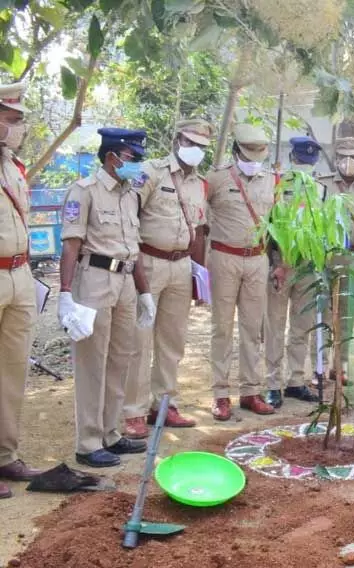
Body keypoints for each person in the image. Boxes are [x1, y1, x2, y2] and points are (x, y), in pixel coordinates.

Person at [59, 127, 155, 467]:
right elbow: (71, 244)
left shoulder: (131, 194)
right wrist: (65, 294)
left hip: (126, 280)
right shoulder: (84, 191)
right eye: (133, 158)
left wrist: (145, 293)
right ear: (112, 156)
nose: (137, 165)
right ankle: (88, 442)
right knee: (92, 363)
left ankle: (111, 434)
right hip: (95, 279)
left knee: (120, 360)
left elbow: (136, 247)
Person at [121, 119, 212, 439]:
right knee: (138, 340)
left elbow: (200, 231)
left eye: (201, 147)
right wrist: (132, 263)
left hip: (181, 266)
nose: (195, 151)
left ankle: (164, 403)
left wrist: (199, 275)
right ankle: (132, 410)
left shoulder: (200, 184)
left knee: (173, 341)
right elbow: (127, 215)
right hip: (148, 262)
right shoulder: (150, 172)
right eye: (190, 143)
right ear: (177, 140)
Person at [205, 124, 276, 421]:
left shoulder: (273, 181)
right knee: (222, 328)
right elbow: (198, 218)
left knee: (253, 328)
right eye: (249, 152)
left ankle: (251, 391)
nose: (254, 158)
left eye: (260, 153)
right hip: (224, 258)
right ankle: (220, 394)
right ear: (236, 151)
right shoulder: (216, 179)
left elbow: (277, 225)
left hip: (258, 259)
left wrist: (279, 263)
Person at [0, 82, 44, 495]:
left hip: (19, 274)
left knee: (12, 371)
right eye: (10, 120)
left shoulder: (14, 167)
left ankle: (5, 456)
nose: (16, 128)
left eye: (16, 121)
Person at [263, 136, 323, 407]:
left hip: (308, 265)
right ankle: (273, 384)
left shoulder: (320, 190)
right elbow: (267, 227)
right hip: (280, 265)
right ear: (291, 159)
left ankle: (296, 381)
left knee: (302, 326)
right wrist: (276, 263)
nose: (304, 167)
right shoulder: (276, 186)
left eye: (309, 162)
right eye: (300, 161)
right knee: (275, 325)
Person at [316, 137, 354, 384]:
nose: (348, 162)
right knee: (322, 312)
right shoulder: (321, 185)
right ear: (335, 158)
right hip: (326, 256)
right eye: (342, 156)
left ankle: (341, 366)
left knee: (347, 313)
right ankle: (319, 367)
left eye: (353, 156)